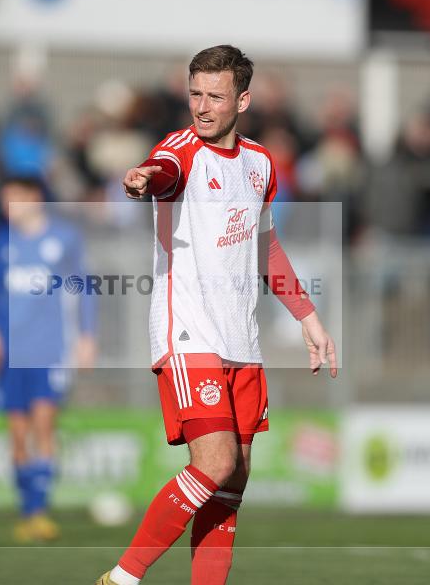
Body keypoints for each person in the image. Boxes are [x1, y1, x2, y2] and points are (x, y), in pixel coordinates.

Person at [96, 45, 338, 585]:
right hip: (189, 331)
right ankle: (121, 578)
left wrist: (308, 317)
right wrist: (143, 178)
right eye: (195, 94)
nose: (202, 107)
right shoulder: (180, 151)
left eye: (215, 96)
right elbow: (162, 172)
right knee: (215, 463)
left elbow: (264, 248)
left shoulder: (259, 165)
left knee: (233, 481)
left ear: (243, 99)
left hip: (241, 340)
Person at [0, 174, 96, 542]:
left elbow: (84, 289)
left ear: (32, 197)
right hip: (12, 351)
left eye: (11, 196)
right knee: (17, 434)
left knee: (43, 424)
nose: (5, 204)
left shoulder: (63, 239)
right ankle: (28, 510)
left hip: (49, 350)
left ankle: (40, 512)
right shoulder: (1, 242)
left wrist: (86, 336)